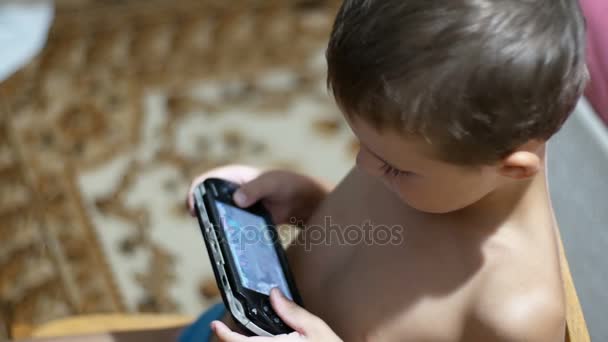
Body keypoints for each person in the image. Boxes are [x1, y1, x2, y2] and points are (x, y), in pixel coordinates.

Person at [23, 0, 587, 341]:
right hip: (235, 324)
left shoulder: (514, 313)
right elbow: (380, 247)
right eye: (361, 144)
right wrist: (312, 202)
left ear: (509, 168)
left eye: (390, 166)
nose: (365, 166)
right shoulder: (427, 159)